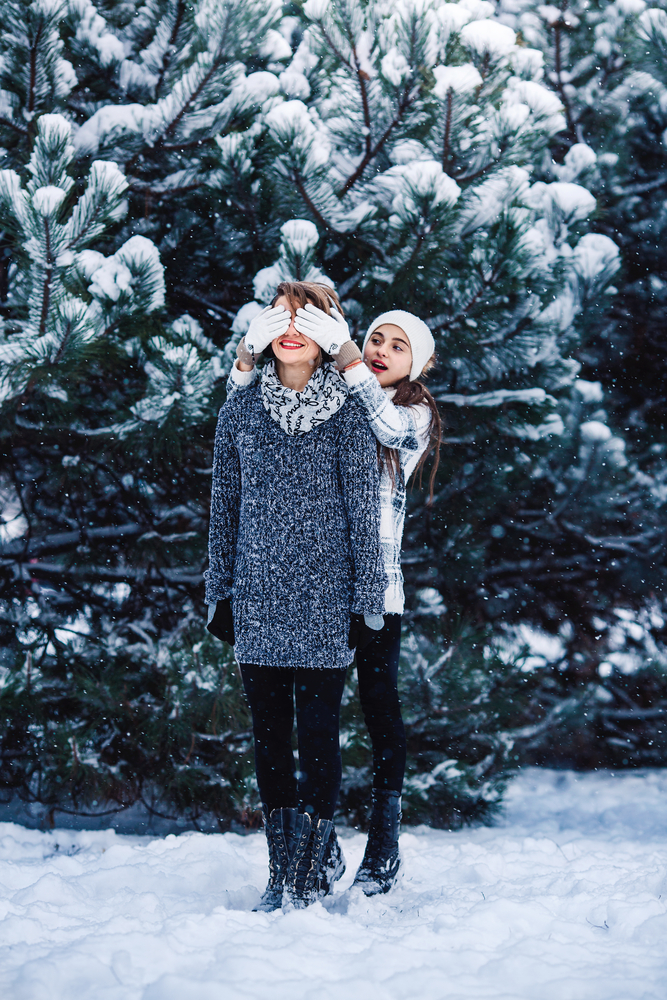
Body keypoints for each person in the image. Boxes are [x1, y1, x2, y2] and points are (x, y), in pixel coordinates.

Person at [229, 294, 441, 896]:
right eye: (376, 338)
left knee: (378, 709)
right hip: (325, 586)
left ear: (416, 365)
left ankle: (384, 845)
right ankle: (316, 854)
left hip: (381, 592)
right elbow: (262, 409)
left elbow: (388, 427)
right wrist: (249, 354)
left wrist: (347, 356)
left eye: (397, 347)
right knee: (313, 722)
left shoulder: (413, 413)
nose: (380, 351)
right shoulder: (345, 391)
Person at [205, 281, 387, 911]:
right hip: (256, 597)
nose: (290, 329)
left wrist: (367, 599)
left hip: (325, 600)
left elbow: (365, 514)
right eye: (278, 317)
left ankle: (309, 872)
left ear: (328, 333)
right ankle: (282, 870)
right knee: (267, 737)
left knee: (317, 736)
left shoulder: (349, 415)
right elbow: (223, 504)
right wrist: (218, 591)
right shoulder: (240, 410)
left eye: (305, 319)